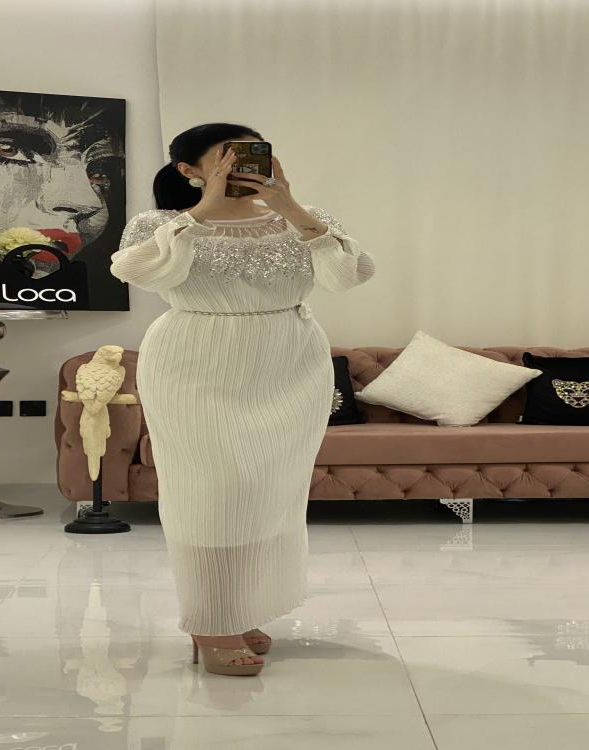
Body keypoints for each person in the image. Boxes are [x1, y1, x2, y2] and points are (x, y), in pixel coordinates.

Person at [108, 123, 375, 676]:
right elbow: (134, 270)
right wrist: (202, 212)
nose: (243, 166)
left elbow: (349, 275)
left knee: (268, 492)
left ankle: (240, 607)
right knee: (209, 494)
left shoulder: (301, 217)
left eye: (254, 155)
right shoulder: (161, 224)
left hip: (290, 361)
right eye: (227, 157)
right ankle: (211, 620)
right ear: (189, 170)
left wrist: (291, 207)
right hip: (195, 361)